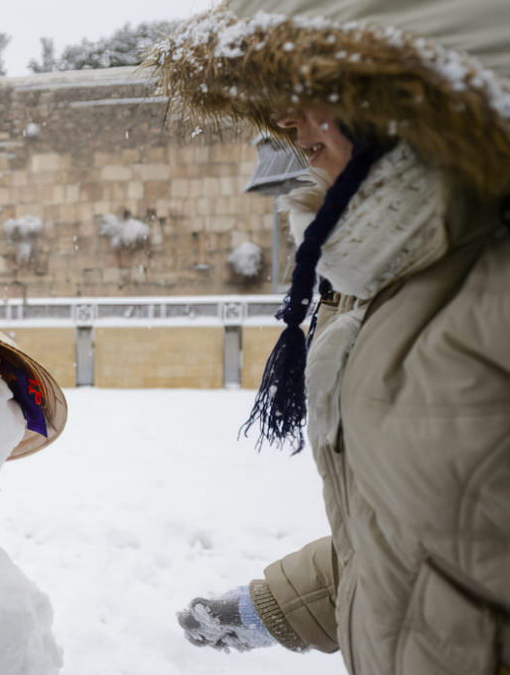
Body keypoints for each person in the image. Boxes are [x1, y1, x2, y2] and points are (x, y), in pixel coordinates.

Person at [149, 1, 509, 673]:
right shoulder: (390, 281)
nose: (288, 122)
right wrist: (267, 609)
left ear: (414, 100)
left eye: (319, 94)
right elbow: (419, 545)